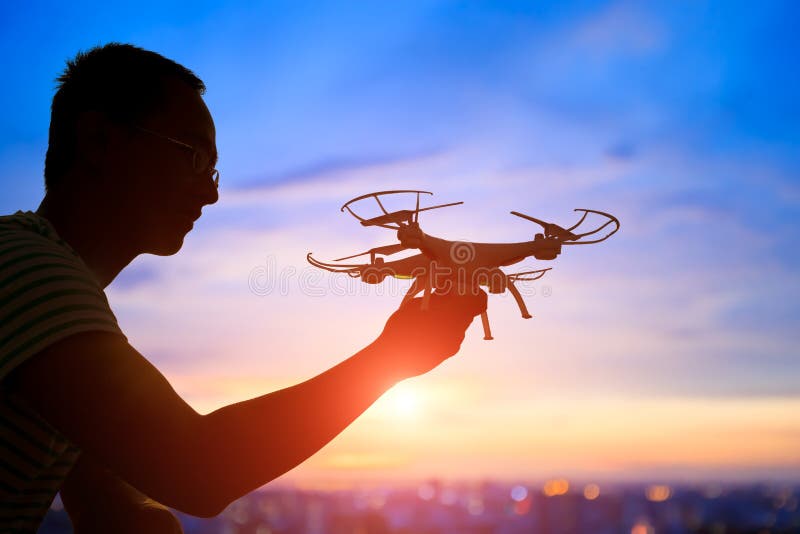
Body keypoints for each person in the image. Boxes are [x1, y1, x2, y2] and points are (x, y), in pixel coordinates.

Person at [0, 43, 556, 533]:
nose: (210, 194)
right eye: (193, 156)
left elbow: (111, 512)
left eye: (214, 172)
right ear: (99, 141)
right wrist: (394, 356)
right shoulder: (30, 272)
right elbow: (197, 470)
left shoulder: (53, 300)